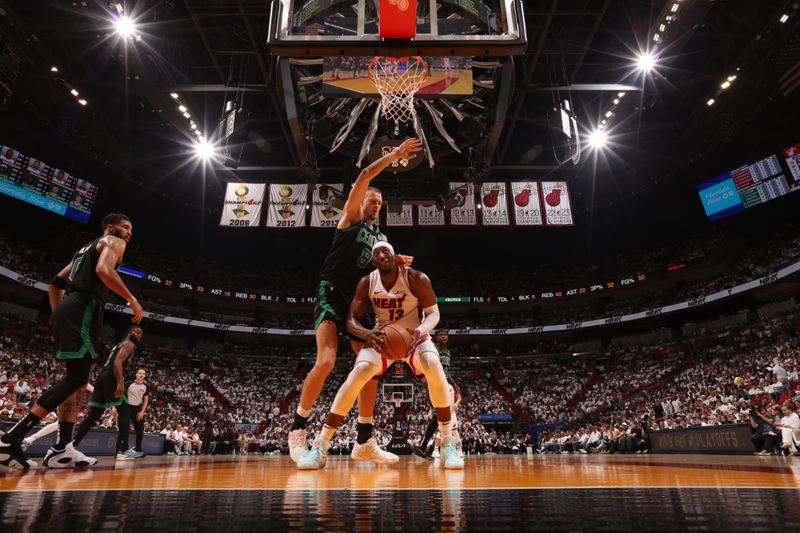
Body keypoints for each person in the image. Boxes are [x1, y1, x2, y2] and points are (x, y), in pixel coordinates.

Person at [287, 137, 422, 463]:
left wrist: (398, 263)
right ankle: (298, 429)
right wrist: (393, 155)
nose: (375, 203)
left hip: (358, 304)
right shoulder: (349, 220)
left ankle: (364, 440)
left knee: (370, 367)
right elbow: (364, 177)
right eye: (371, 200)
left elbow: (383, 275)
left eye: (379, 201)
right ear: (361, 203)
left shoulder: (382, 239)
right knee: (327, 361)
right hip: (332, 292)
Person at [298, 241, 463, 470]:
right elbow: (351, 320)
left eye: (386, 251)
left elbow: (433, 314)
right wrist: (368, 334)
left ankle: (448, 442)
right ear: (373, 261)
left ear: (396, 257)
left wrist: (420, 331)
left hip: (415, 336)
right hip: (382, 339)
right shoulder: (367, 282)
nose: (381, 255)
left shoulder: (416, 278)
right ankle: (321, 445)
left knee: (433, 363)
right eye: (376, 253)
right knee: (359, 372)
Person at [0, 213, 143, 470]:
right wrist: (131, 298)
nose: (129, 232)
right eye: (125, 226)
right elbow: (103, 270)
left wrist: (59, 314)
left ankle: (61, 449)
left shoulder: (83, 250)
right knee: (77, 379)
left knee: (77, 381)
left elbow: (55, 283)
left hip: (70, 309)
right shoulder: (113, 241)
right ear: (110, 227)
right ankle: (11, 439)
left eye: (131, 228)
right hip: (82, 310)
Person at [70, 327, 144, 464]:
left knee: (94, 415)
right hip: (111, 377)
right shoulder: (129, 344)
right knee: (125, 411)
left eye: (140, 334)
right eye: (136, 332)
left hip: (102, 376)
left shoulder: (121, 343)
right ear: (129, 333)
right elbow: (117, 362)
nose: (138, 335)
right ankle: (123, 450)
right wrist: (121, 383)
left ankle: (72, 446)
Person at [116, 367, 149, 460]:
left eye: (143, 374)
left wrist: (142, 412)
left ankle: (138, 449)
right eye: (140, 373)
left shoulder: (145, 386)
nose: (141, 375)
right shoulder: (128, 383)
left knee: (140, 429)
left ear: (144, 376)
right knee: (123, 429)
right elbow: (120, 394)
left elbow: (146, 400)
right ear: (136, 374)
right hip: (126, 407)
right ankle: (118, 451)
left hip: (137, 409)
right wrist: (115, 407)